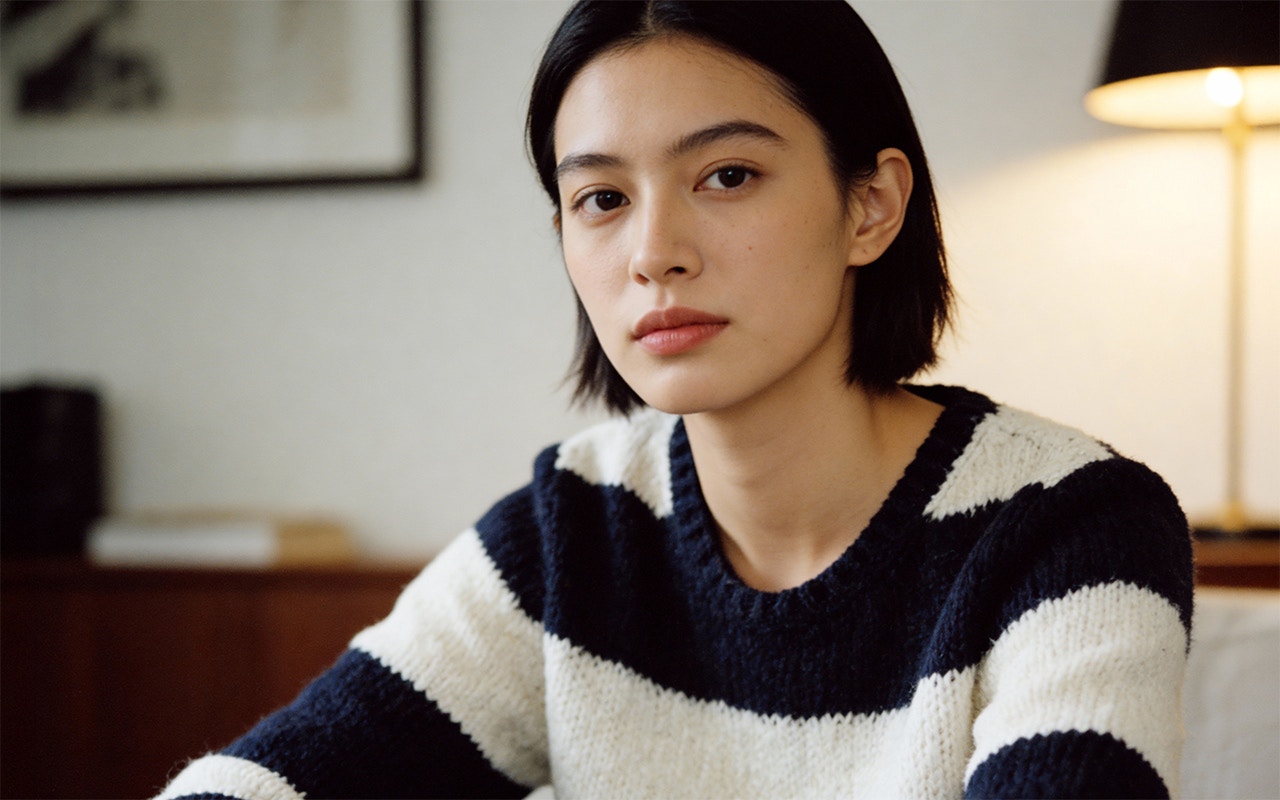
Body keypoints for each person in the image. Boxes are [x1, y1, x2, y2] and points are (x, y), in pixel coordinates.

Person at [158, 2, 1193, 798]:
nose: (653, 252)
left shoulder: (1072, 524)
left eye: (727, 175)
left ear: (870, 206)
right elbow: (271, 779)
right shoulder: (572, 531)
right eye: (601, 198)